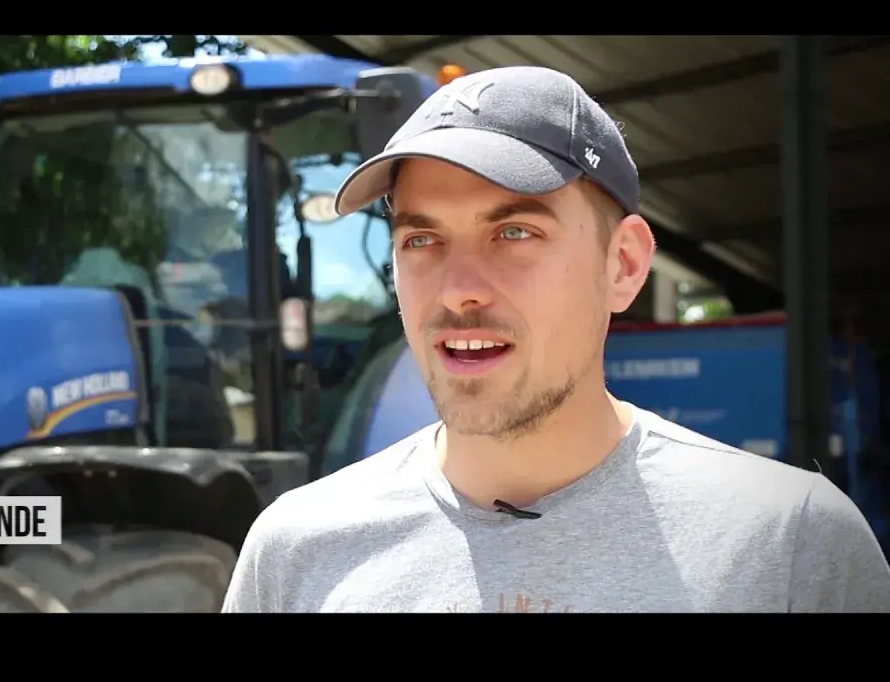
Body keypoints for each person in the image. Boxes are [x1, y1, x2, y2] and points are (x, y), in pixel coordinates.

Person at [221, 65, 890, 613]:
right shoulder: (296, 550)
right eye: (422, 240)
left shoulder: (792, 546)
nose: (457, 289)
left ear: (623, 265)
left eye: (515, 233)